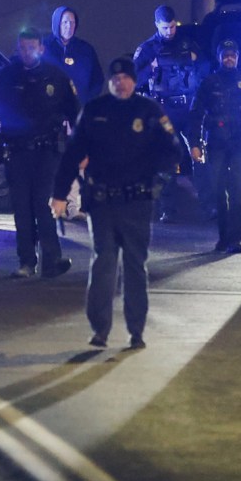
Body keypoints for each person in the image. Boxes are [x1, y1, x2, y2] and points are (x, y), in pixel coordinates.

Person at [50, 56, 181, 349]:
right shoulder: (95, 110)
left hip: (137, 202)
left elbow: (173, 151)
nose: (120, 83)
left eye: (125, 78)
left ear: (134, 81)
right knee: (103, 265)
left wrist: (155, 179)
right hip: (102, 202)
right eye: (115, 78)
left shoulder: (148, 111)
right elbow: (72, 154)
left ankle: (136, 330)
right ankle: (100, 330)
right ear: (109, 82)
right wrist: (59, 195)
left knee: (135, 266)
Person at [0, 28, 79, 279]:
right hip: (16, 150)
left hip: (47, 151)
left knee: (43, 204)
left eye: (31, 47)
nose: (26, 52)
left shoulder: (55, 77)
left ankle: (52, 260)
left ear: (41, 49)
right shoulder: (7, 76)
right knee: (22, 207)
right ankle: (26, 261)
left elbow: (75, 113)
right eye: (22, 48)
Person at [188, 39, 241, 254]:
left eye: (232, 55)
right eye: (225, 55)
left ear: (237, 57)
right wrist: (195, 143)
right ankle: (223, 238)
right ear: (219, 57)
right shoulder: (209, 83)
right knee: (218, 191)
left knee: (238, 192)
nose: (229, 59)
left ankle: (235, 240)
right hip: (216, 144)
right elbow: (196, 115)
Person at [132, 4, 207, 220]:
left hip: (188, 107)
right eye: (165, 28)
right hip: (163, 109)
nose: (169, 31)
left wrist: (194, 59)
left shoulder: (186, 43)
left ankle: (209, 206)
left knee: (199, 153)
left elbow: (206, 66)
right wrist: (151, 68)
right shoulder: (148, 48)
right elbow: (133, 79)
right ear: (157, 25)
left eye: (172, 27)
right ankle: (168, 209)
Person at [42, 5, 104, 221]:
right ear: (57, 24)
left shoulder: (85, 50)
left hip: (79, 114)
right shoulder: (45, 47)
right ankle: (55, 203)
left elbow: (97, 79)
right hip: (51, 115)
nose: (69, 26)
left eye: (72, 22)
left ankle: (76, 205)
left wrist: (87, 101)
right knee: (53, 159)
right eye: (65, 22)